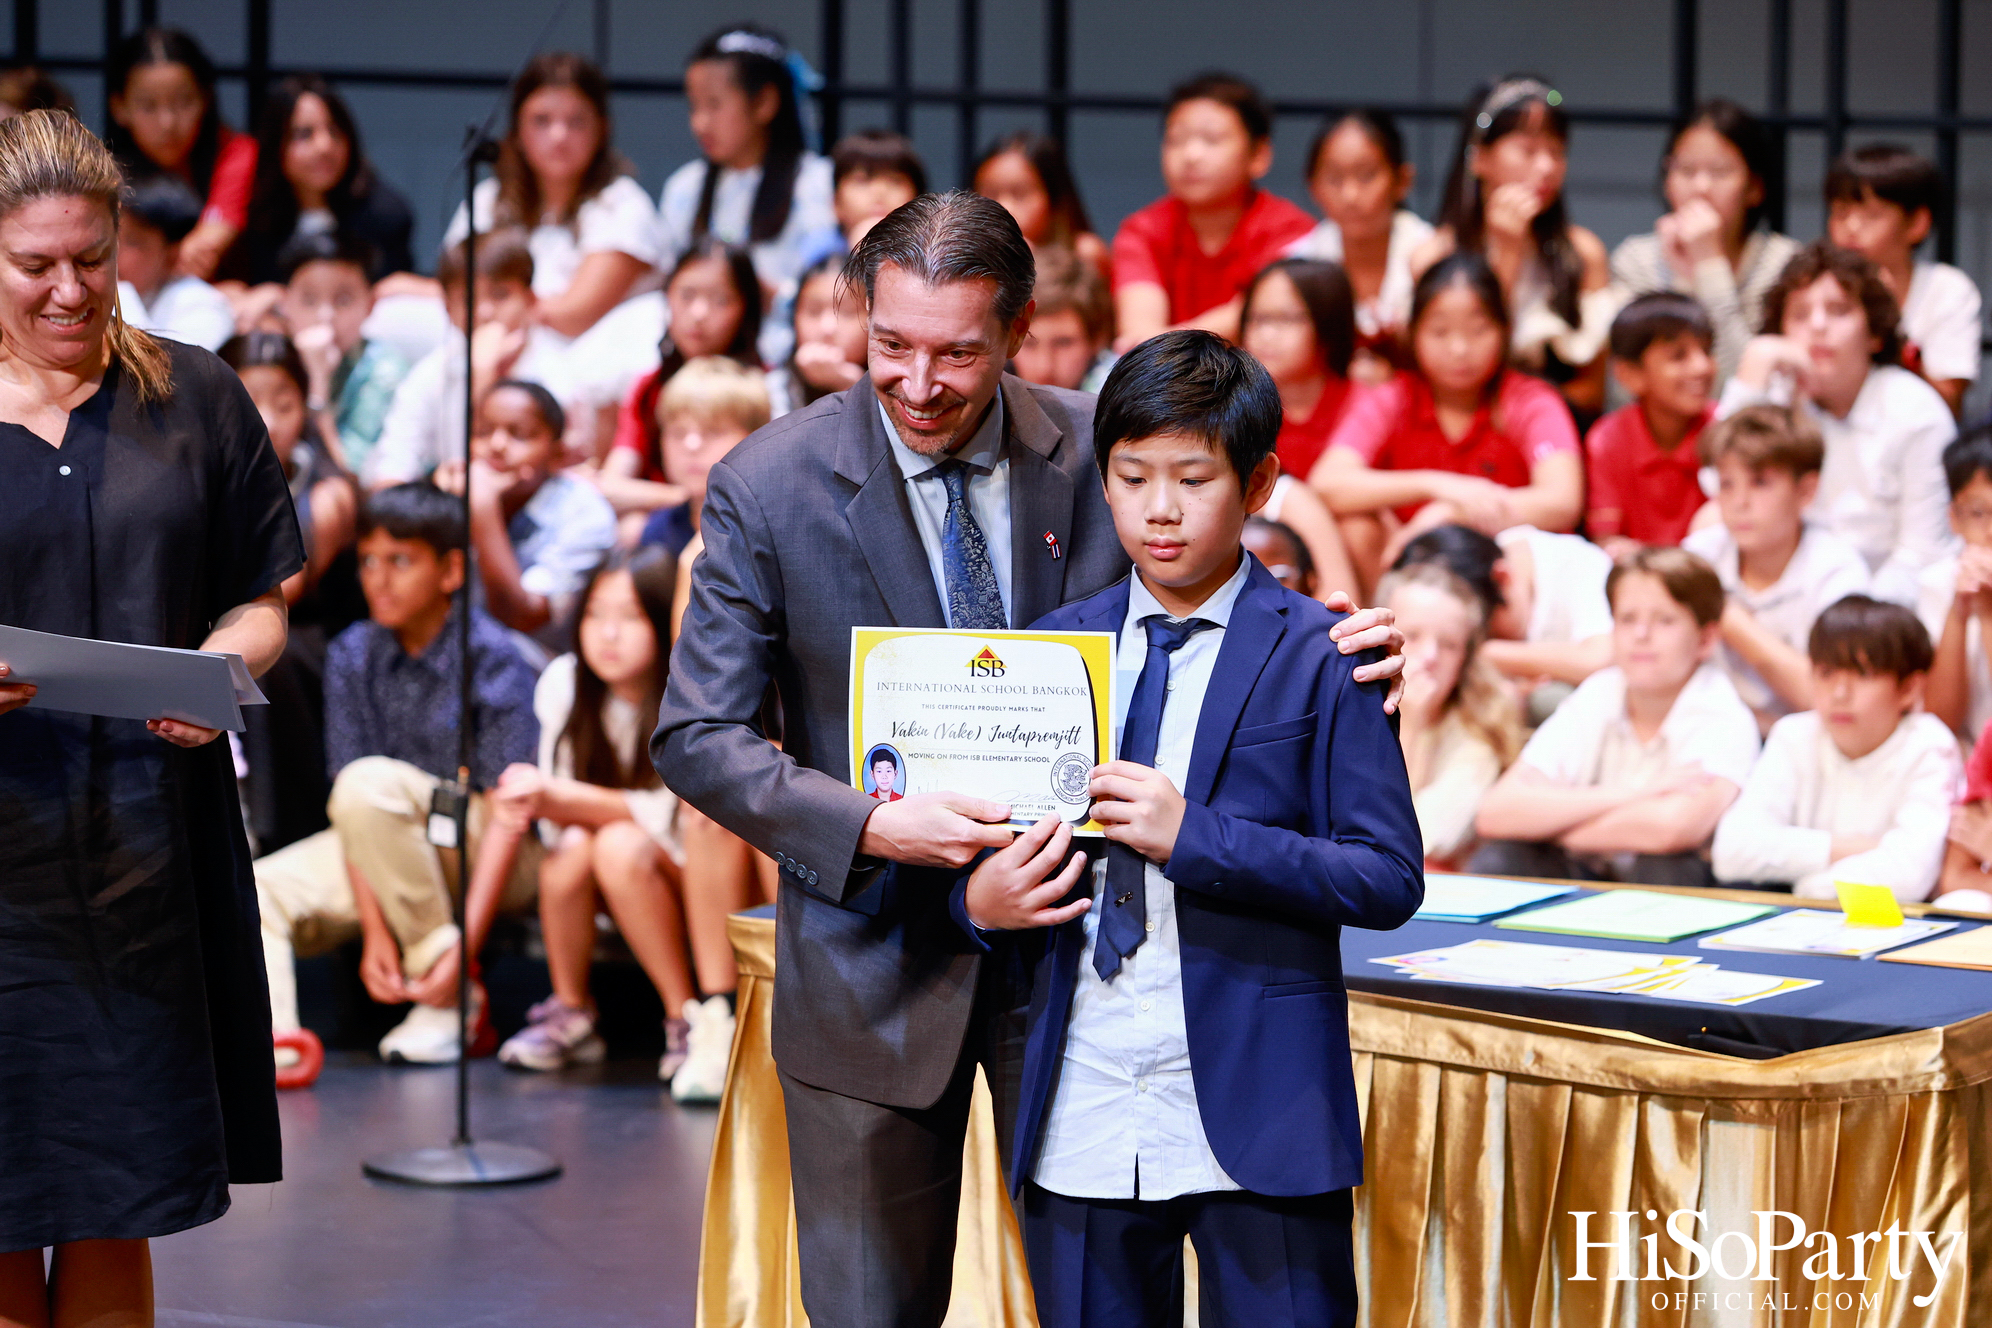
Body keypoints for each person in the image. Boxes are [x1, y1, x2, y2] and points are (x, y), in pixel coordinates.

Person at [653, 190, 1405, 1328]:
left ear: (1018, 330)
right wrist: (874, 827)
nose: (918, 383)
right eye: (891, 345)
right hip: (873, 963)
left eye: (957, 353)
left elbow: (1211, 583)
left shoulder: (1103, 449)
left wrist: (1327, 635)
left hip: (1078, 973)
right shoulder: (770, 482)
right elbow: (696, 735)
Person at [958, 329, 1422, 1328]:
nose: (1159, 509)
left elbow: (1387, 877)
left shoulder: (1328, 651)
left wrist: (1194, 836)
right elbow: (993, 850)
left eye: (1193, 479)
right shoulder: (1051, 652)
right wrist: (980, 904)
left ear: (1258, 484)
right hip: (1082, 1093)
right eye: (1132, 478)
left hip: (1263, 1099)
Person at [0, 109, 296, 1315]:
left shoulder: (196, 394)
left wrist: (217, 666)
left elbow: (262, 598)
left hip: (145, 857)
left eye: (94, 257)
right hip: (4, 865)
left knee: (118, 1193)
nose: (71, 290)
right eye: (36, 264)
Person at [253, 482, 540, 1065]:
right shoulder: (353, 652)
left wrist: (464, 951)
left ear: (451, 570)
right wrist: (377, 933)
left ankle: (449, 994)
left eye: (400, 561)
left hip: (486, 848)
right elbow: (352, 805)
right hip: (383, 844)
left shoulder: (493, 654)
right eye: (367, 561)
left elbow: (508, 816)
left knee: (370, 784)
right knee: (258, 889)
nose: (378, 579)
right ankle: (277, 1048)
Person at [493, 547, 707, 1085]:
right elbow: (555, 820)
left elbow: (678, 819)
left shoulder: (690, 689)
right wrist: (550, 798)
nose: (608, 635)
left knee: (617, 846)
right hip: (610, 866)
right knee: (571, 849)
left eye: (629, 617)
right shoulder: (564, 682)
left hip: (693, 873)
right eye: (594, 615)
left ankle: (687, 1018)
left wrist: (561, 797)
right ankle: (571, 1010)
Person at [1472, 547, 1759, 887]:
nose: (1641, 635)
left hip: (1680, 886)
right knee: (1503, 857)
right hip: (1589, 874)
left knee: (1664, 867)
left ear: (1706, 638)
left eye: (1664, 620)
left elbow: (1669, 830)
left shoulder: (1723, 715)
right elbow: (1497, 812)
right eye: (1627, 619)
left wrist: (1549, 826)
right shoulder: (1600, 690)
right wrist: (1639, 793)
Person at [1310, 252, 1584, 590]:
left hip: (1501, 567)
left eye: (1478, 331)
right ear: (1413, 333)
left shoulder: (1530, 400)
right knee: (1357, 527)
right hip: (1404, 567)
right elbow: (1327, 483)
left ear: (1505, 330)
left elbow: (1562, 500)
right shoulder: (1392, 398)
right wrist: (1436, 484)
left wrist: (1449, 514)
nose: (1459, 349)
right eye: (1440, 332)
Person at [1721, 239, 1956, 606]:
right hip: (1785, 593)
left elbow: (1922, 556)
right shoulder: (1779, 396)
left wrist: (1845, 616)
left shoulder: (1916, 412)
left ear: (1874, 334)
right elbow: (1716, 488)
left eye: (1839, 311)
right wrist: (1754, 369)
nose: (1817, 326)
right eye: (1799, 315)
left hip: (1881, 610)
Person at [443, 52, 665, 419]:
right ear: (517, 130)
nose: (559, 136)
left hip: (584, 364)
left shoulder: (623, 203)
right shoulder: (489, 198)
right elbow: (454, 290)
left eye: (576, 122)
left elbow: (574, 313)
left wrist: (500, 313)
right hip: (500, 337)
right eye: (541, 121)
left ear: (602, 128)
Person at [1713, 596, 1958, 900]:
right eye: (1827, 673)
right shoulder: (1794, 734)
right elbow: (1731, 851)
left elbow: (1909, 876)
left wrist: (1810, 886)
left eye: (1863, 674)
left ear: (1908, 688)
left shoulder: (1930, 745)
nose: (1840, 694)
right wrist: (1853, 848)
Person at [1412, 76, 1617, 417]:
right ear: (1479, 159)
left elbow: (1593, 392)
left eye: (1557, 151)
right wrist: (1506, 255)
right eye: (1528, 150)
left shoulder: (1582, 254)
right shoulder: (1435, 256)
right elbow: (1446, 382)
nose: (1547, 167)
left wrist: (1532, 412)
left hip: (1559, 426)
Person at [1683, 403, 1871, 731]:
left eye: (1760, 482)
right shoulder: (1701, 555)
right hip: (1706, 731)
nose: (1739, 502)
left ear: (1806, 490)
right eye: (1727, 484)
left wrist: (1726, 617)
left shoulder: (1838, 572)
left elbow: (1831, 697)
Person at [661, 24, 838, 368]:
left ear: (764, 102)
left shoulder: (816, 184)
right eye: (694, 106)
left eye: (714, 104)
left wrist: (763, 294)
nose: (700, 123)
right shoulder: (685, 187)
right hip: (695, 354)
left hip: (785, 354)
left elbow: (831, 286)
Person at [1111, 72, 1314, 350]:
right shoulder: (1143, 229)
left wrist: (1169, 345)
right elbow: (1138, 332)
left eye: (1212, 140)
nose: (1191, 155)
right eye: (1176, 140)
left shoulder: (1291, 230)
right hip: (1170, 375)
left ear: (1259, 155)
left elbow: (1257, 315)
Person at [1610, 98, 1800, 386]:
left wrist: (1709, 265)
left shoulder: (1785, 266)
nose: (1701, 187)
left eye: (1720, 172)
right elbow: (1629, 386)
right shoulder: (1637, 261)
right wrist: (1683, 279)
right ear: (1667, 180)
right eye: (1686, 171)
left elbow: (1749, 387)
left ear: (1754, 187)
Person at [366, 229, 575, 489]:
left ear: (530, 300)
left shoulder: (559, 375)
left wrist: (483, 374)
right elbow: (392, 469)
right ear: (447, 307)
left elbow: (558, 477)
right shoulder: (432, 373)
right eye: (468, 299)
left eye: (500, 295)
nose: (484, 312)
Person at [445, 379, 616, 654]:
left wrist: (483, 509)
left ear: (557, 454)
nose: (496, 445)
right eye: (482, 432)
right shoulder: (452, 491)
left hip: (537, 664)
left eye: (520, 435)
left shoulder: (585, 515)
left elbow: (521, 616)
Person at [600, 239, 764, 521]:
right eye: (687, 295)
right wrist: (686, 499)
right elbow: (610, 486)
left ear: (745, 308)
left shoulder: (768, 387)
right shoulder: (649, 387)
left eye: (721, 300)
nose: (699, 313)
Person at [1377, 560, 1523, 869]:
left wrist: (1411, 728)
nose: (1430, 656)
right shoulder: (1338, 711)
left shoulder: (1479, 734)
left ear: (1465, 661)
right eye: (1412, 636)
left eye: (1449, 645)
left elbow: (1421, 840)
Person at [216, 74, 415, 298]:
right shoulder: (256, 218)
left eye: (334, 131)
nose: (325, 146)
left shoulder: (384, 216)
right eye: (304, 134)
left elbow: (394, 296)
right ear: (276, 145)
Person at [1825, 143, 1981, 416]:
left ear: (1917, 222)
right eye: (1841, 213)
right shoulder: (1816, 286)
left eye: (1871, 215)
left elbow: (1948, 403)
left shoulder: (1947, 289)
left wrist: (1889, 327)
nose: (1851, 227)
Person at [1287, 108, 1434, 372]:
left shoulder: (1435, 257)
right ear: (1313, 187)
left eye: (1367, 176)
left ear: (1402, 180)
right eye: (1334, 179)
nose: (1350, 195)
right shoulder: (1296, 265)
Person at [1391, 521, 1615, 693]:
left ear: (1503, 577)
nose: (1433, 654)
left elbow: (1599, 658)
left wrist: (1480, 653)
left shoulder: (1580, 565)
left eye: (1486, 631)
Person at [105, 28, 256, 280]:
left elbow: (202, 250)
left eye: (184, 102)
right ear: (119, 107)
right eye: (148, 106)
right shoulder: (99, 171)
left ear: (205, 99)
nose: (168, 123)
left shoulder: (235, 152)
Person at [220, 331, 357, 606]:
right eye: (248, 404)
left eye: (284, 407)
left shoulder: (327, 498)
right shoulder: (203, 478)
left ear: (304, 409)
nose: (268, 423)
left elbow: (272, 594)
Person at [1584, 292, 1716, 551]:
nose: (1702, 366)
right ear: (1629, 374)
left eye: (1707, 351)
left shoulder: (1724, 429)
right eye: (1678, 355)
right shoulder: (1607, 440)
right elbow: (1608, 543)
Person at [279, 230, 410, 479]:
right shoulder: (273, 356)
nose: (325, 316)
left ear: (370, 304)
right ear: (285, 304)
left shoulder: (385, 371)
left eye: (343, 300)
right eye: (309, 300)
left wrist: (318, 384)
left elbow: (351, 475)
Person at [638, 356, 772, 559]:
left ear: (756, 438)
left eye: (713, 432)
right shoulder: (659, 530)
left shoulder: (775, 527)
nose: (691, 446)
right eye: (678, 433)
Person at [1240, 257, 1359, 480]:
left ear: (1328, 322)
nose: (1266, 335)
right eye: (1257, 319)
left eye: (1286, 319)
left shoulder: (1365, 402)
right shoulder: (1234, 406)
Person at [1918, 424, 1992, 742]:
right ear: (1954, 518)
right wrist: (1958, 613)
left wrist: (1987, 614)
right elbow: (1939, 723)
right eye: (1979, 513)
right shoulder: (1937, 584)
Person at [116, 173, 234, 350]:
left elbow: (160, 364)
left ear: (172, 255)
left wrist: (119, 295)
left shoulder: (203, 307)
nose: (114, 250)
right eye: (112, 236)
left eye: (134, 242)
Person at [972, 130, 1112, 279]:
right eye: (991, 194)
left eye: (1020, 193)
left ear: (1053, 198)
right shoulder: (965, 253)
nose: (1005, 206)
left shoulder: (1083, 254)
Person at [1011, 243, 1115, 393]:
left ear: (1097, 340)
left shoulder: (1118, 393)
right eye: (1029, 344)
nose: (1044, 368)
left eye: (1063, 343)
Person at [780, 252, 868, 409]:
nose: (827, 328)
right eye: (814, 311)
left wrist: (850, 384)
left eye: (847, 312)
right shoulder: (772, 389)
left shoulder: (900, 390)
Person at [830, 128, 926, 250]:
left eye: (895, 181)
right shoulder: (817, 256)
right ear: (835, 202)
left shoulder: (940, 255)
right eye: (862, 180)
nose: (879, 192)